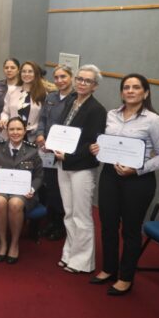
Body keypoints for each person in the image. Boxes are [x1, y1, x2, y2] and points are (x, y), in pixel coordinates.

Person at [89, 74, 159, 296]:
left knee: (131, 230)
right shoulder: (111, 115)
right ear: (121, 93)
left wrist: (137, 169)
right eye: (126, 87)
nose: (131, 91)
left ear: (145, 93)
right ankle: (108, 268)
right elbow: (106, 143)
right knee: (107, 225)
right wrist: (98, 149)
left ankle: (126, 277)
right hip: (110, 175)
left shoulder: (154, 121)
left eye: (136, 87)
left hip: (138, 180)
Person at [51, 64, 106, 274]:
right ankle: (69, 254)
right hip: (63, 163)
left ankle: (82, 261)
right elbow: (63, 131)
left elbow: (92, 144)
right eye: (80, 79)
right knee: (69, 212)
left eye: (87, 81)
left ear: (95, 86)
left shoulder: (97, 110)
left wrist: (69, 155)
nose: (82, 83)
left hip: (82, 167)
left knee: (81, 215)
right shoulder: (72, 101)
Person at [0, 117, 43, 264]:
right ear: (6, 131)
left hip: (24, 193)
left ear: (25, 131)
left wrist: (32, 188)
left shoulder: (32, 150)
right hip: (1, 190)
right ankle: (3, 242)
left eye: (19, 129)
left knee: (15, 203)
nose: (15, 132)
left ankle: (14, 244)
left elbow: (39, 176)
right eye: (11, 129)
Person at [35, 64, 74, 240]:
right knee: (50, 186)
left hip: (65, 153)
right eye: (56, 77)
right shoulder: (51, 97)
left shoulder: (75, 99)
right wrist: (41, 134)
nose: (59, 80)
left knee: (62, 189)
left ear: (71, 77)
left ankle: (61, 225)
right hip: (47, 150)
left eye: (63, 77)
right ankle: (52, 221)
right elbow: (43, 118)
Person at [0, 61, 48, 141]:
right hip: (12, 135)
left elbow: (43, 118)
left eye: (30, 71)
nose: (26, 74)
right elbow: (5, 112)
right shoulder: (12, 91)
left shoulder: (43, 94)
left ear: (36, 74)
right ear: (20, 73)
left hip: (32, 137)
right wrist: (4, 119)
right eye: (24, 71)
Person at [0, 58, 20, 142]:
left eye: (12, 68)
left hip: (18, 131)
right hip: (0, 129)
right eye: (6, 68)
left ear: (18, 70)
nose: (9, 70)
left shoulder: (23, 87)